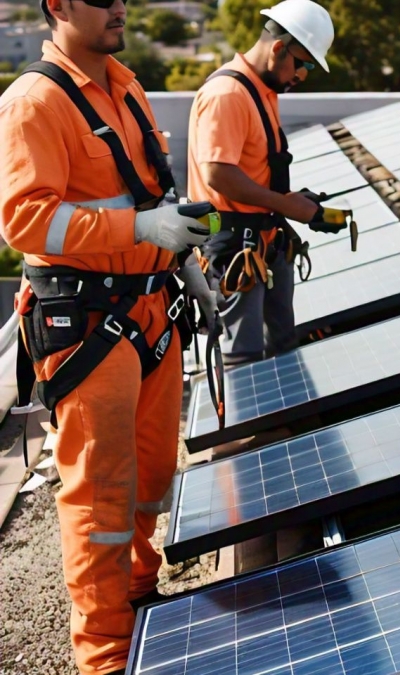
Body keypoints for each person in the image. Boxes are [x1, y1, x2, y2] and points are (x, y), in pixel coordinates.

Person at [0, 0, 217, 669]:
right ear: (58, 6)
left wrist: (187, 263)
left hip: (154, 309)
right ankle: (105, 656)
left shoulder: (126, 86)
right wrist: (140, 232)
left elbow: (149, 195)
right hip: (90, 325)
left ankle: (140, 598)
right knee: (101, 499)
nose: (119, 6)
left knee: (150, 479)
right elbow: (27, 222)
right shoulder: (36, 103)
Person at [188, 0, 351, 365]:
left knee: (281, 346)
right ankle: (255, 424)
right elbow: (218, 174)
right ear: (279, 47)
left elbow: (253, 166)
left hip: (262, 242)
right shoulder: (228, 94)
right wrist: (286, 205)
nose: (304, 74)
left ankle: (288, 420)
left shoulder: (261, 90)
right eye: (304, 63)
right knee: (244, 358)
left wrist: (293, 199)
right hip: (234, 249)